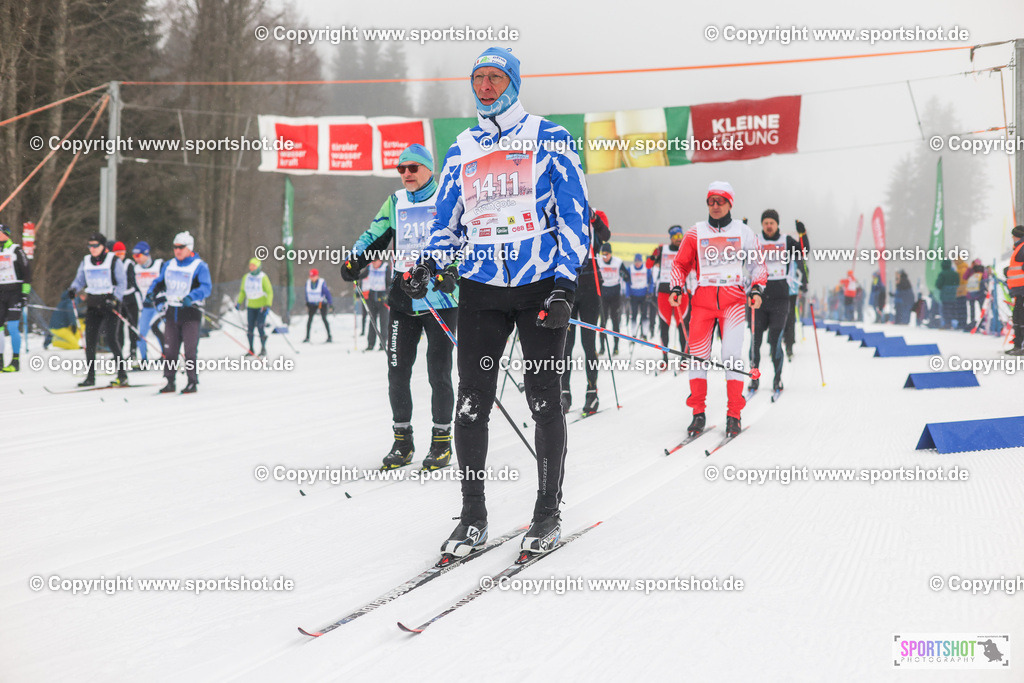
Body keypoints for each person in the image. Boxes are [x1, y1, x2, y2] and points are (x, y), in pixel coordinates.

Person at [401, 47, 589, 558]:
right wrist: (428, 263)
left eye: (495, 77)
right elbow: (447, 225)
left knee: (544, 400)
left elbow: (575, 216)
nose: (485, 86)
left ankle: (547, 510)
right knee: (471, 400)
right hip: (482, 289)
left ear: (513, 82)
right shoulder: (462, 148)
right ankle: (472, 515)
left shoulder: (550, 138)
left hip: (538, 288)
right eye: (478, 78)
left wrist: (565, 284)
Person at [341, 143, 458, 470]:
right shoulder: (396, 202)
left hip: (440, 298)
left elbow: (462, 239)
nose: (406, 174)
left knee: (439, 372)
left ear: (428, 169)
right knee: (397, 371)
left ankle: (441, 442)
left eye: (413, 168)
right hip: (404, 298)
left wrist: (452, 272)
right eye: (401, 169)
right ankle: (402, 442)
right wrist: (355, 260)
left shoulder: (445, 197)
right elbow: (374, 235)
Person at [670, 181, 766, 438]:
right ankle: (697, 413)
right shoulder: (695, 232)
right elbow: (680, 265)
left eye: (720, 201)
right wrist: (677, 288)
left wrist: (756, 289)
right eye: (710, 201)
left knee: (731, 356)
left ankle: (734, 414)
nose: (715, 206)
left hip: (733, 300)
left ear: (730, 203)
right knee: (697, 356)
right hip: (702, 298)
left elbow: (758, 266)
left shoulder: (744, 232)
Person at [147, 231, 211, 393]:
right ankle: (169, 381)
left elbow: (206, 287)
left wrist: (191, 297)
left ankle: (192, 381)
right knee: (170, 350)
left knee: (189, 351)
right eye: (175, 247)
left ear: (189, 248)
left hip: (190, 313)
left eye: (181, 247)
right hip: (172, 312)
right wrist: (152, 292)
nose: (177, 250)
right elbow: (159, 282)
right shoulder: (169, 265)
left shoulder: (200, 266)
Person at [560, 208, 608, 416]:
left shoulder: (596, 213)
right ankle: (564, 393)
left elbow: (605, 237)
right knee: (565, 345)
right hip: (569, 286)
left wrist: (594, 218)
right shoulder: (562, 209)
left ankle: (592, 391)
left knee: (589, 343)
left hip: (590, 287)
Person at [750, 210, 805, 393]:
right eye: (765, 222)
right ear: (762, 224)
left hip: (780, 299)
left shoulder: (786, 241)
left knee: (775, 342)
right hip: (759, 298)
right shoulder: (756, 240)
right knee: (755, 342)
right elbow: (737, 253)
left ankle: (777, 378)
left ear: (777, 224)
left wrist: (802, 235)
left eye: (772, 223)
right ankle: (754, 378)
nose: (768, 226)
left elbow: (804, 251)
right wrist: (741, 229)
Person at [68, 232, 128, 386]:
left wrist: (115, 299)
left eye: (95, 245)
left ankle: (122, 375)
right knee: (90, 340)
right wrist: (73, 289)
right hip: (93, 304)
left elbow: (122, 283)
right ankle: (90, 377)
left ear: (103, 246)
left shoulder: (114, 261)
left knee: (111, 339)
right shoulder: (86, 261)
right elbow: (79, 279)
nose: (92, 249)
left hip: (109, 304)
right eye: (90, 245)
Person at [648, 225, 689, 365]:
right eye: (676, 236)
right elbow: (648, 264)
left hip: (681, 292)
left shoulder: (686, 249)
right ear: (671, 238)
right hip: (664, 292)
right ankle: (664, 357)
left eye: (681, 236)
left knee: (682, 324)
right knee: (664, 324)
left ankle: (684, 357)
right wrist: (654, 255)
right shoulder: (662, 250)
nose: (679, 239)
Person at [0, 224, 31, 372]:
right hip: (1, 292)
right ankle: (0, 360)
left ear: (5, 234)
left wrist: (25, 294)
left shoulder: (16, 250)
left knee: (12, 327)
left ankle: (15, 360)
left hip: (15, 292)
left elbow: (27, 273)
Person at [131, 242, 164, 362]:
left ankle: (166, 356)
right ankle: (144, 359)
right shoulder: (136, 269)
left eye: (138, 256)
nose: (136, 259)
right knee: (141, 333)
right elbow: (135, 289)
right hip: (146, 305)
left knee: (157, 327)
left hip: (160, 303)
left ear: (146, 254)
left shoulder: (159, 265)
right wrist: (140, 305)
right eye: (134, 256)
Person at [596, 242, 629, 355]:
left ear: (610, 254)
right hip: (603, 295)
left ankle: (615, 347)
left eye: (607, 254)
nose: (605, 256)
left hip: (615, 295)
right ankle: (602, 348)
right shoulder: (599, 261)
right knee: (603, 323)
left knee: (615, 322)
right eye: (603, 254)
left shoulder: (618, 262)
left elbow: (627, 277)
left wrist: (624, 275)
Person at [236, 257, 273, 356]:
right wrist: (238, 302)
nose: (251, 267)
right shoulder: (246, 277)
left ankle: (263, 348)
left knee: (260, 327)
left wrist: (267, 305)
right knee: (250, 328)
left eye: (253, 265)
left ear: (258, 267)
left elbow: (269, 292)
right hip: (250, 306)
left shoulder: (263, 277)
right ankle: (251, 349)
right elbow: (242, 291)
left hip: (261, 306)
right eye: (250, 265)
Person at [783, 221, 809, 360]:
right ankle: (775, 342)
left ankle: (789, 345)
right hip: (777, 290)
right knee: (777, 318)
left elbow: (804, 270)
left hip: (791, 291)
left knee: (790, 318)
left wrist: (804, 284)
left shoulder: (797, 258)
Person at [361, 259, 389, 351]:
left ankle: (383, 343)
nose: (373, 264)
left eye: (375, 262)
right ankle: (370, 344)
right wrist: (353, 275)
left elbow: (390, 282)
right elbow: (362, 275)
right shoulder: (370, 267)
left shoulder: (385, 268)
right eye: (372, 262)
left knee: (383, 321)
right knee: (372, 321)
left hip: (383, 297)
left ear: (380, 261)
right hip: (372, 297)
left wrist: (387, 294)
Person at [625, 253, 654, 339]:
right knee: (633, 315)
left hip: (644, 296)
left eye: (639, 261)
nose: (637, 263)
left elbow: (651, 282)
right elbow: (627, 282)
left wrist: (650, 293)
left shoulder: (647, 269)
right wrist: (627, 294)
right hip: (633, 296)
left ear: (642, 262)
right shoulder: (630, 269)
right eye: (636, 261)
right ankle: (633, 334)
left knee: (644, 315)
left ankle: (644, 334)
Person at [1005, 225, 1024, 355]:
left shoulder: (1022, 247)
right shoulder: (1018, 248)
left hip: (1022, 288)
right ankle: (1018, 345)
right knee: (1017, 317)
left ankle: (1020, 345)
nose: (1012, 237)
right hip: (1018, 290)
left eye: (1013, 235)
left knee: (1021, 318)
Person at [303, 268, 333, 343]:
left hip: (321, 303)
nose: (312, 278)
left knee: (324, 318)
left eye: (313, 276)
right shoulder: (308, 283)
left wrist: (330, 304)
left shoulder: (321, 283)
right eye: (311, 276)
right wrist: (307, 303)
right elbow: (307, 293)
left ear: (317, 276)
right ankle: (307, 337)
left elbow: (327, 294)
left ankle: (329, 336)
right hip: (312, 304)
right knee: (309, 320)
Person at [935, 260, 960, 329]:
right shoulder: (955, 274)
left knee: (945, 310)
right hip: (953, 295)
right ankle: (955, 323)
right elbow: (957, 283)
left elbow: (938, 285)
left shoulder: (942, 274)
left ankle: (947, 323)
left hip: (945, 295)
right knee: (952, 310)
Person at [963, 258, 987, 330]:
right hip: (974, 292)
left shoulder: (981, 270)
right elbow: (964, 277)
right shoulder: (971, 270)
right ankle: (974, 322)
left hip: (976, 292)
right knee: (974, 308)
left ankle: (982, 322)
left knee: (981, 308)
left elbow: (965, 277)